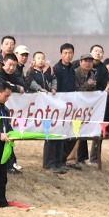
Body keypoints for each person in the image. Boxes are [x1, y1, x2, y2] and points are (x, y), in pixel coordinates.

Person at [46, 43, 76, 173]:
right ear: (61, 54)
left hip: (67, 108)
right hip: (55, 106)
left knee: (64, 135)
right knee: (52, 135)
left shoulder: (72, 69)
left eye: (70, 53)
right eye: (65, 53)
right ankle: (50, 163)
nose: (68, 55)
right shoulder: (56, 69)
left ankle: (60, 161)